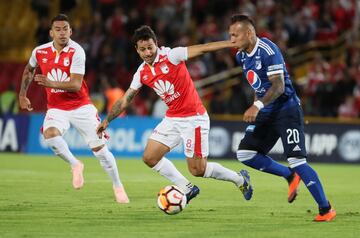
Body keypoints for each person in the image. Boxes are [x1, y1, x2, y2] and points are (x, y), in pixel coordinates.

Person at [96, 25, 253, 203]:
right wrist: (107, 120)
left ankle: (240, 179)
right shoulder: (142, 72)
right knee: (149, 157)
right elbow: (126, 99)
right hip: (172, 118)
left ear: (156, 44)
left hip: (194, 118)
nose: (147, 53)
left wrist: (230, 43)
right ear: (136, 50)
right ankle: (187, 187)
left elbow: (202, 49)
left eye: (150, 48)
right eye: (143, 49)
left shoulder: (171, 55)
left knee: (198, 170)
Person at [228, 14, 336, 221]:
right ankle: (288, 175)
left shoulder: (268, 50)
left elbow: (278, 86)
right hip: (267, 111)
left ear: (249, 33)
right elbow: (257, 85)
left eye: (236, 35)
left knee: (297, 160)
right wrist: (258, 105)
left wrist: (256, 105)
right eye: (230, 35)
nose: (232, 39)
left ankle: (326, 209)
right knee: (245, 154)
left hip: (287, 110)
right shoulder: (241, 56)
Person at [18, 14, 129, 204]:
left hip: (81, 107)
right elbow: (29, 69)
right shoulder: (39, 51)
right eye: (58, 29)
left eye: (65, 29)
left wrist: (50, 82)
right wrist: (22, 94)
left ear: (71, 31)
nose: (62, 33)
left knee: (100, 151)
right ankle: (75, 164)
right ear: (51, 32)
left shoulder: (77, 51)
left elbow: (76, 85)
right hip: (56, 107)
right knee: (50, 134)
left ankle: (117, 185)